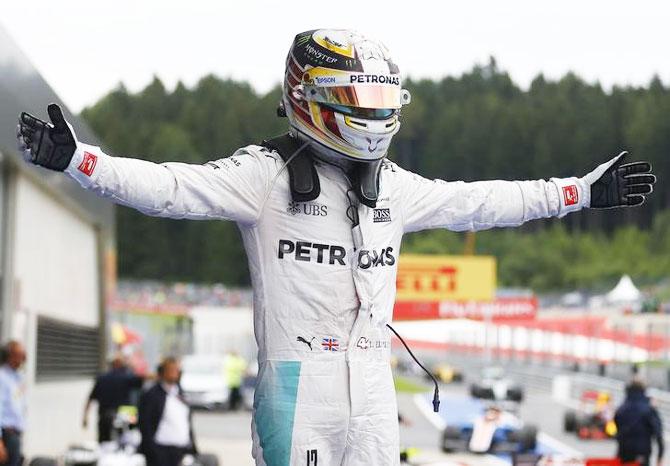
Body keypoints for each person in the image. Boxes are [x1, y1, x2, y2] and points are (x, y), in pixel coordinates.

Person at [16, 29, 657, 466]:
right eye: (359, 100)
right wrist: (81, 161)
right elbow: (170, 187)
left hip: (374, 383)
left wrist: (579, 192)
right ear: (310, 98)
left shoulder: (396, 189)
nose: (374, 114)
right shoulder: (261, 176)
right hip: (294, 387)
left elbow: (485, 202)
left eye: (383, 100)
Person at [138, 357, 196, 466]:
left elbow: (186, 422)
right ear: (162, 372)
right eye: (171, 370)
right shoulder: (151, 395)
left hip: (181, 450)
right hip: (161, 451)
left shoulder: (180, 393)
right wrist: (151, 450)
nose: (174, 373)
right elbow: (145, 424)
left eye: (177, 370)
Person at [82, 355, 145, 442]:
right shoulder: (127, 377)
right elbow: (143, 378)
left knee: (105, 442)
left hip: (105, 413)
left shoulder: (101, 379)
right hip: (125, 413)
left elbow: (90, 399)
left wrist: (85, 417)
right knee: (127, 441)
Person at [614, 380, 664, 466]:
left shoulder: (621, 409)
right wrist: (660, 456)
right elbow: (658, 433)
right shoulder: (649, 409)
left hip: (623, 453)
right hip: (642, 454)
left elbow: (617, 429)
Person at [0, 341, 27, 466]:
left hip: (15, 435)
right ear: (9, 356)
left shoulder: (17, 376)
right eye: (20, 355)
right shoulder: (2, 377)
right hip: (6, 436)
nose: (23, 359)